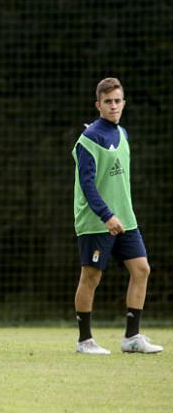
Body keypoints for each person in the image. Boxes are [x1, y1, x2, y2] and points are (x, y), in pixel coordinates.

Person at [72, 77, 162, 355]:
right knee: (91, 277)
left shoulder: (123, 133)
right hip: (97, 221)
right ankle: (84, 341)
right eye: (108, 101)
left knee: (142, 269)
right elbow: (87, 185)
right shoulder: (88, 139)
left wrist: (119, 214)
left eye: (117, 101)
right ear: (98, 105)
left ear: (123, 102)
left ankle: (131, 338)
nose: (113, 106)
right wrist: (106, 215)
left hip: (126, 219)